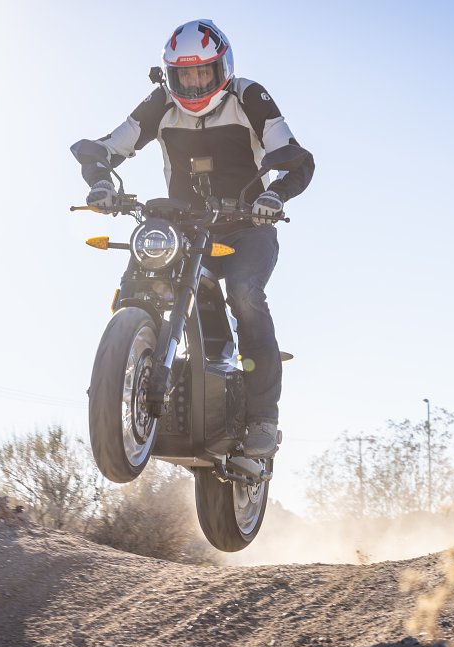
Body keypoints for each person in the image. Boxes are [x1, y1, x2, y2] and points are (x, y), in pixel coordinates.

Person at [73, 19, 314, 458]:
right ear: (171, 74)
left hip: (247, 225)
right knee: (141, 275)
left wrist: (275, 194)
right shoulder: (162, 102)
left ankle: (263, 416)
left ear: (222, 68)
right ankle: (122, 369)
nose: (195, 82)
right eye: (185, 74)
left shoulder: (248, 97)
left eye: (203, 72)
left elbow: (294, 157)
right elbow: (110, 143)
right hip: (184, 226)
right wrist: (102, 181)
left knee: (244, 293)